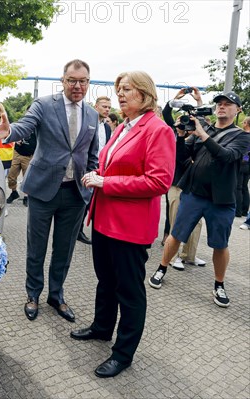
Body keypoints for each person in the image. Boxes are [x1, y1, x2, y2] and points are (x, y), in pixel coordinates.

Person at [70, 71, 175, 378]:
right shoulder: (123, 127)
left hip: (129, 227)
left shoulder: (158, 130)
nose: (121, 94)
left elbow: (159, 181)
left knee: (129, 291)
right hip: (104, 220)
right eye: (119, 90)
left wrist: (107, 182)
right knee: (105, 280)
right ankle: (102, 328)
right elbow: (112, 166)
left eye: (128, 89)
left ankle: (123, 353)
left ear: (146, 94)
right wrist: (97, 175)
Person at [0, 59, 99, 323]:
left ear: (88, 83)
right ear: (62, 81)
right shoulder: (44, 105)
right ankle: (33, 294)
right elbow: (24, 127)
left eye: (83, 81)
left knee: (65, 250)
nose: (77, 85)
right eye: (72, 80)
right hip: (42, 191)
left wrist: (91, 178)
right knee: (36, 248)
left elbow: (91, 153)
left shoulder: (93, 114)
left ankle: (56, 295)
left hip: (75, 194)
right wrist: (9, 131)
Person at [149, 91, 250, 308]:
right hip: (193, 193)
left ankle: (219, 284)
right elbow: (183, 155)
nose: (222, 107)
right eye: (219, 104)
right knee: (175, 235)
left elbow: (227, 156)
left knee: (220, 244)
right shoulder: (204, 128)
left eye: (228, 104)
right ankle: (161, 268)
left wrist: (203, 134)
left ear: (238, 110)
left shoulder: (242, 136)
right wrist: (179, 136)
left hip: (221, 200)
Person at [160, 87, 206, 270]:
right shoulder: (173, 134)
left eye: (186, 119)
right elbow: (166, 113)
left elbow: (202, 121)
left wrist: (199, 102)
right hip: (177, 183)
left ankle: (189, 255)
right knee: (176, 221)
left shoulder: (198, 134)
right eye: (181, 120)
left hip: (196, 186)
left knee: (197, 223)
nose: (184, 122)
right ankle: (173, 257)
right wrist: (175, 99)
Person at [77, 96, 113, 245]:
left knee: (94, 202)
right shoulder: (86, 124)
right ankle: (77, 230)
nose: (107, 110)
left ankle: (91, 230)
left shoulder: (106, 127)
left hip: (101, 169)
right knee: (83, 201)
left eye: (109, 107)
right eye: (104, 106)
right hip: (86, 167)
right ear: (96, 107)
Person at [6, 118, 37, 207]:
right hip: (17, 153)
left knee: (27, 177)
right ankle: (14, 192)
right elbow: (13, 132)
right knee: (11, 175)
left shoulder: (38, 127)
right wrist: (16, 139)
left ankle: (26, 197)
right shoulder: (22, 123)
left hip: (29, 155)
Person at [235, 116, 250, 217]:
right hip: (249, 165)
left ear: (246, 123)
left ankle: (238, 211)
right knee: (245, 187)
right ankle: (245, 210)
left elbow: (246, 151)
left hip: (244, 163)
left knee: (238, 187)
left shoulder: (246, 136)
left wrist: (244, 161)